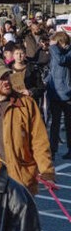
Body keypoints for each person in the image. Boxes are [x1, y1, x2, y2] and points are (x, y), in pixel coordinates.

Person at [0, 58, 53, 194]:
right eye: (0, 78)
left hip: (21, 180)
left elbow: (39, 141)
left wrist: (47, 172)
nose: (6, 81)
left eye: (7, 75)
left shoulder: (26, 104)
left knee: (22, 215)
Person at [46, 31, 71, 159]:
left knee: (69, 124)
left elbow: (62, 61)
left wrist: (53, 46)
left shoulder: (67, 53)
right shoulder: (57, 53)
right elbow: (53, 69)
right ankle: (53, 150)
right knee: (54, 124)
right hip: (55, 93)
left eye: (57, 42)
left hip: (67, 95)